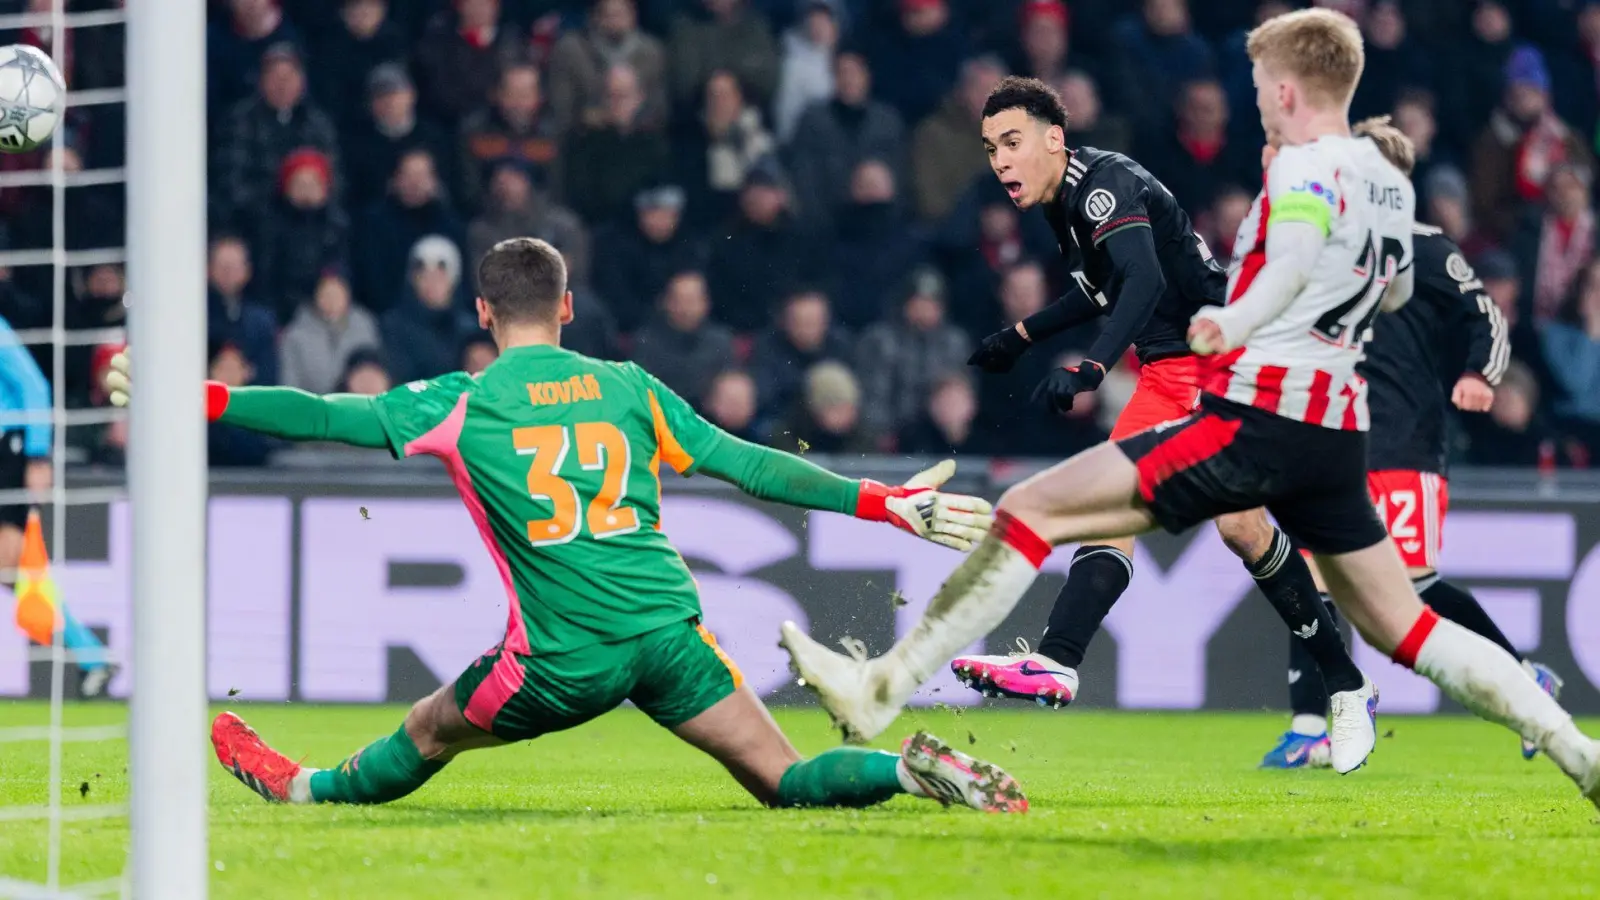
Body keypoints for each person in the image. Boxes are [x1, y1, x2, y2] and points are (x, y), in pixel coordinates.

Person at [780, 10, 1600, 815]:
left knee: (1034, 509)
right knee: (1397, 619)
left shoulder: (1300, 170)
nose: (1251, 98)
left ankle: (908, 683)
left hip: (1237, 391)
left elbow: (1229, 274)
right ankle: (1561, 746)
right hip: (1333, 422)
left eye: (1255, 83)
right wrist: (1030, 331)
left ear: (1288, 87)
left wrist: (1230, 321)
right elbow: (1392, 290)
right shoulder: (1384, 187)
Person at [105, 238, 1023, 815]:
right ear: (569, 308)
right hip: (669, 633)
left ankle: (297, 787)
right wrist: (884, 500)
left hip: (561, 661)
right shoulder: (630, 385)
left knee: (429, 728)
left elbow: (320, 412)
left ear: (482, 315)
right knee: (785, 781)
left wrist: (198, 395)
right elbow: (751, 464)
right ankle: (903, 768)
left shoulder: (463, 400)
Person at [948, 76, 1369, 742]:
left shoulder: (1102, 183)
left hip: (1222, 358)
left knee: (1229, 528)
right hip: (1174, 370)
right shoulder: (1067, 203)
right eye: (990, 146)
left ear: (1053, 140)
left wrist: (1090, 366)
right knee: (1151, 512)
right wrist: (1021, 336)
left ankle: (1342, 686)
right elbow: (1101, 289)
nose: (999, 159)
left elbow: (1142, 280)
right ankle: (1058, 662)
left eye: (1012, 141)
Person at [1256, 117, 1559, 768]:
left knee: (1412, 589)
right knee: (1306, 575)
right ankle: (1313, 720)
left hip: (1402, 446)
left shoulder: (1428, 249)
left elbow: (1487, 318)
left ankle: (1523, 678)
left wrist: (1481, 373)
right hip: (1330, 439)